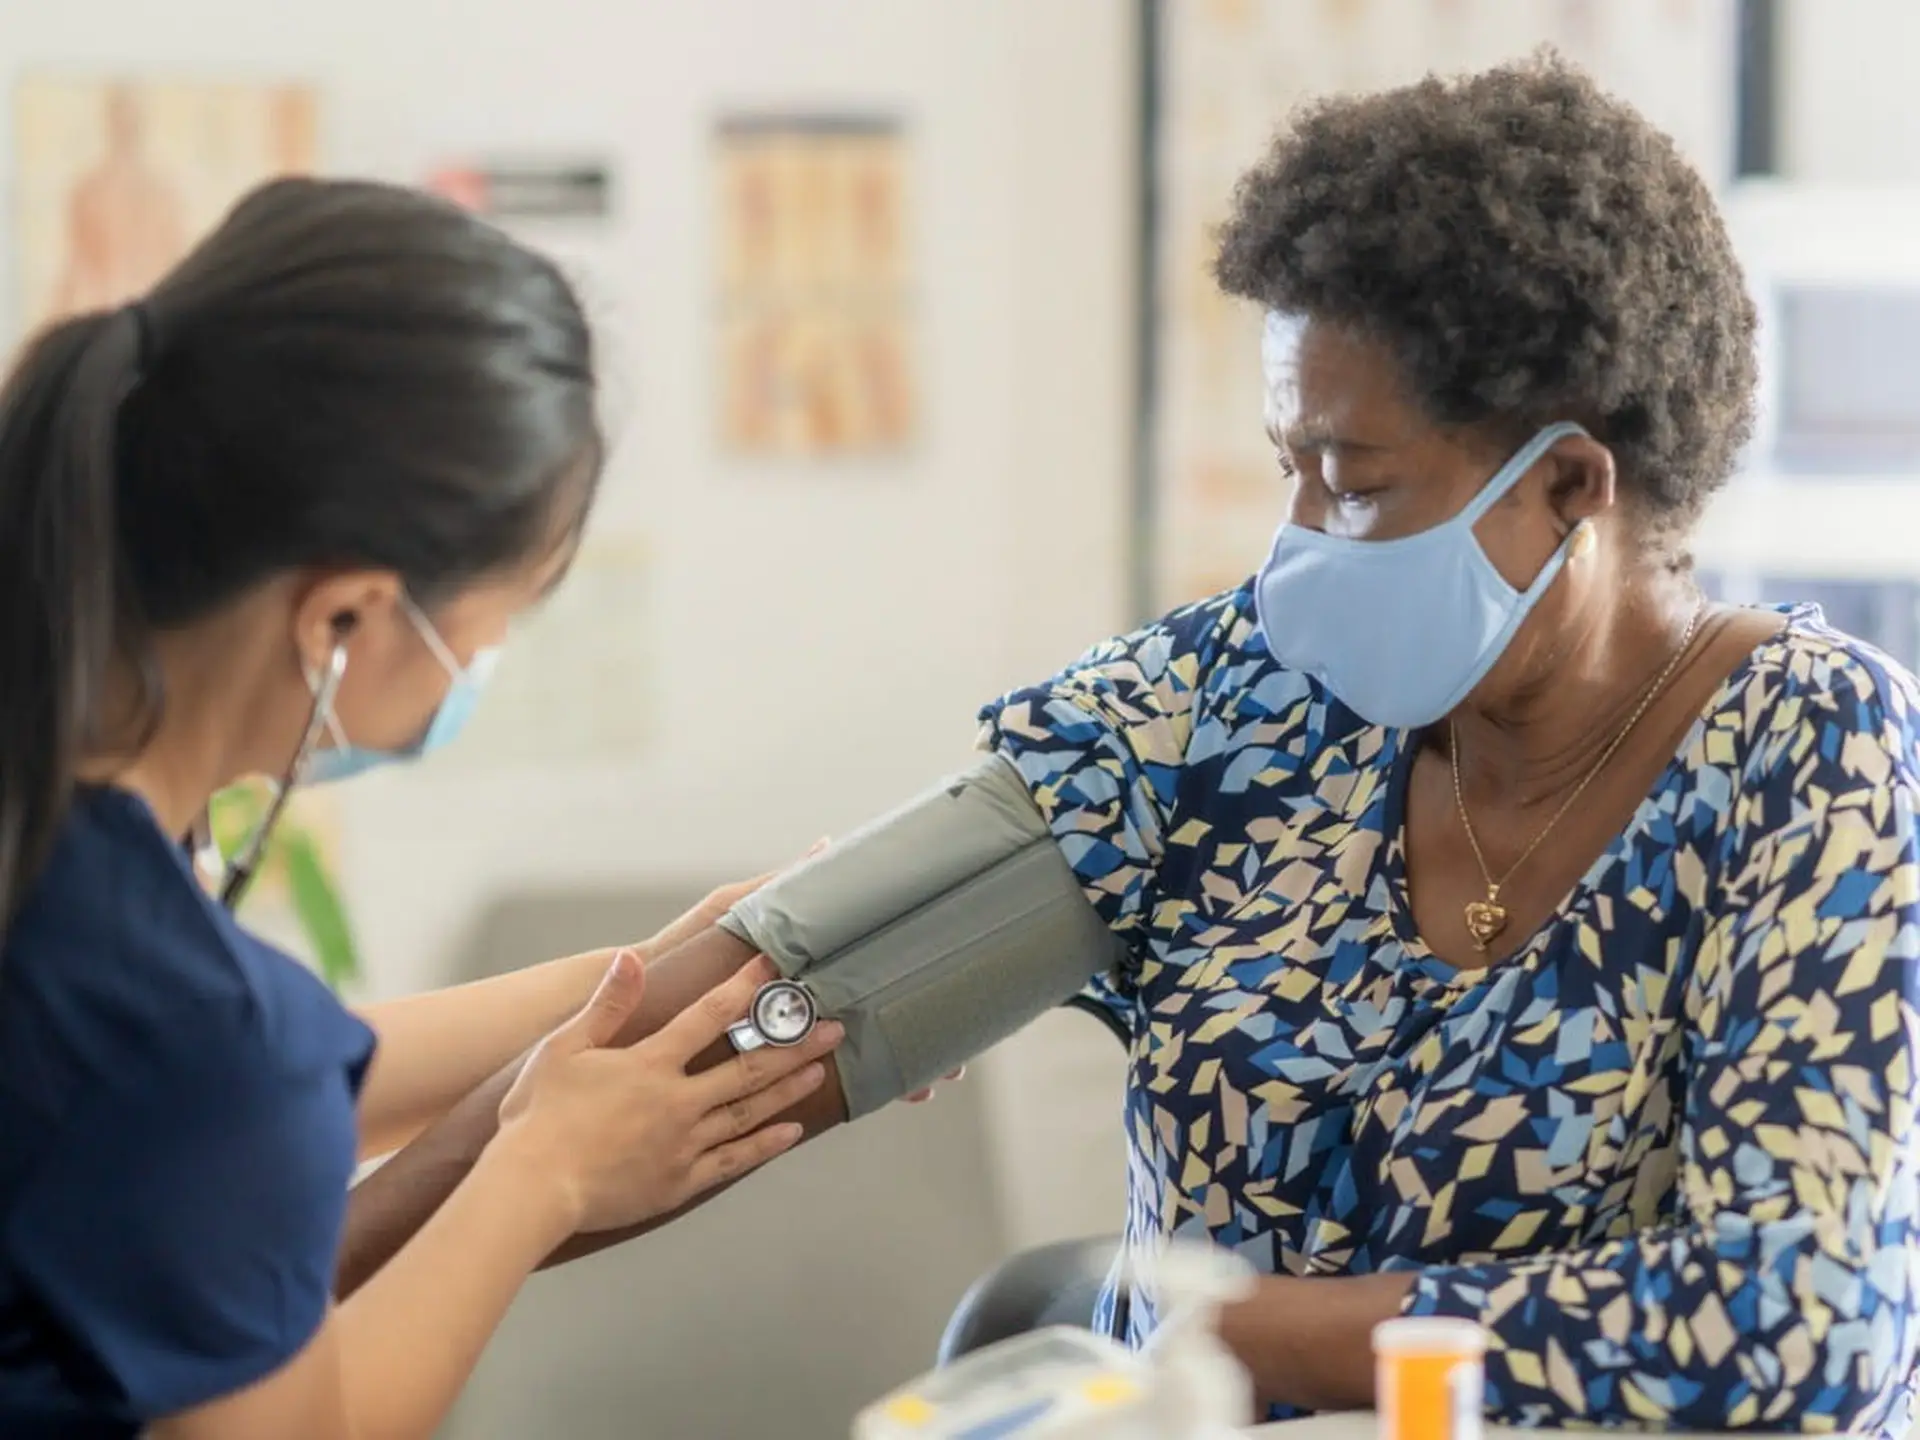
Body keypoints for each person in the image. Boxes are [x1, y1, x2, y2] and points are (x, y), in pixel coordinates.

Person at [340, 54, 1920, 1438]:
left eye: (1354, 482)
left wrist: (1248, 1333)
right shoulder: (1226, 708)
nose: (1296, 541)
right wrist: (291, 1282)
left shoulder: (1813, 757)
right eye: (1284, 466)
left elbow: (1802, 1319)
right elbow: (774, 1003)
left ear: (1572, 485)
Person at [0, 177, 849, 1438]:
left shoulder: (67, 823)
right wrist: (541, 1176)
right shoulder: (184, 1023)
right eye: (503, 615)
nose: (492, 656)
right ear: (344, 620)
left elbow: (231, 1100)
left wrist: (659, 969)